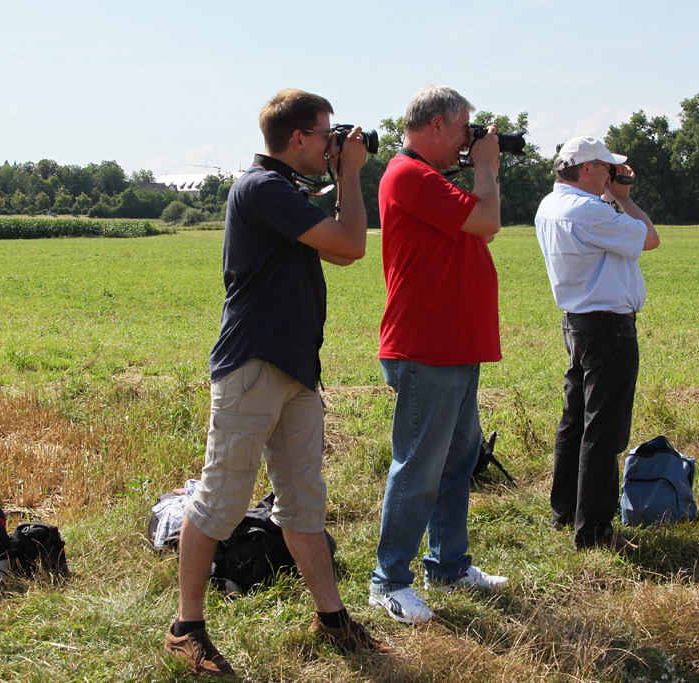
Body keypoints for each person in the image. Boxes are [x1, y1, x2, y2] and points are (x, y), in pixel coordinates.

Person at [164, 88, 392, 677]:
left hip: (293, 368)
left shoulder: (286, 190)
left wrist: (341, 173)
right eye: (326, 134)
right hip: (254, 365)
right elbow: (352, 244)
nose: (333, 143)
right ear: (297, 139)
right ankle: (186, 628)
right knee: (220, 500)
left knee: (303, 503)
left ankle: (332, 619)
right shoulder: (263, 188)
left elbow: (341, 255)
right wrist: (352, 176)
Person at [369, 85, 508, 625]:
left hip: (454, 344)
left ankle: (448, 564)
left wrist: (481, 169)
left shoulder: (428, 179)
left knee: (455, 460)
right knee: (419, 467)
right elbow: (488, 221)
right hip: (426, 346)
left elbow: (479, 227)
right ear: (436, 126)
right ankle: (389, 581)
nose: (468, 140)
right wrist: (486, 169)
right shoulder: (409, 175)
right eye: (463, 129)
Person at [534, 136, 660, 553]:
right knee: (604, 428)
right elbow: (649, 238)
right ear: (586, 167)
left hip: (578, 323)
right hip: (609, 328)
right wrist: (621, 197)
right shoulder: (589, 209)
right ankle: (594, 531)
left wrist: (609, 192)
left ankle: (566, 511)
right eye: (607, 167)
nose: (613, 174)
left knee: (576, 421)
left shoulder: (550, 205)